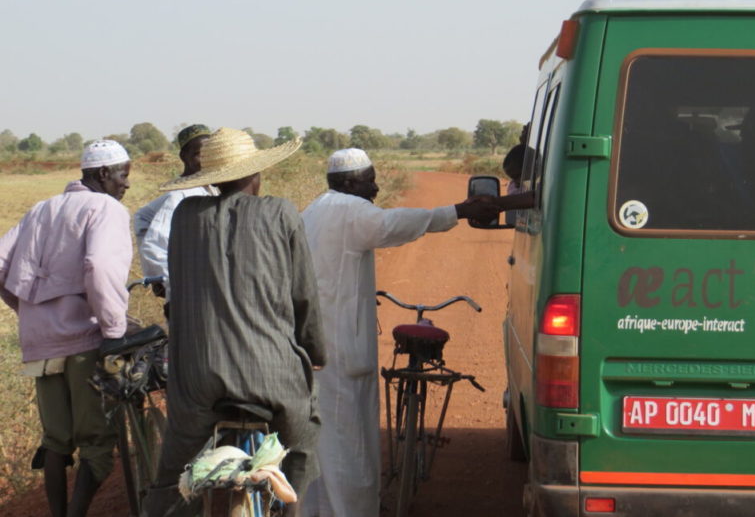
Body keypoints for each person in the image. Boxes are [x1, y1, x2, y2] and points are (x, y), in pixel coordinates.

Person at [300, 148, 501, 517]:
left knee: (321, 442)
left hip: (312, 345)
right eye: (370, 180)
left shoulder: (316, 208)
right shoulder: (350, 210)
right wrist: (458, 211)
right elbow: (395, 225)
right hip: (340, 349)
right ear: (350, 182)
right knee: (349, 446)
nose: (376, 188)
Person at [142, 128, 326, 517]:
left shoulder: (185, 216)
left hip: (196, 377)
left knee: (172, 474)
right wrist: (315, 351)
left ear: (210, 179)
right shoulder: (280, 212)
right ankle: (288, 510)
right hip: (272, 376)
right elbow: (303, 296)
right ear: (256, 174)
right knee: (303, 440)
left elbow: (177, 291)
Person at [0, 140, 132, 517]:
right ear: (103, 174)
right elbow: (101, 266)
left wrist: (28, 311)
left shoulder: (42, 209)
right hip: (84, 341)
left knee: (56, 440)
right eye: (123, 175)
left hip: (41, 344)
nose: (126, 184)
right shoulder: (105, 208)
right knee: (96, 442)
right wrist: (114, 330)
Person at [133, 124, 214, 299]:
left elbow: (142, 216)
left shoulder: (210, 188)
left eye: (211, 154)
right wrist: (164, 279)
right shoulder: (181, 196)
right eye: (200, 154)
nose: (207, 160)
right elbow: (152, 243)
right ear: (184, 157)